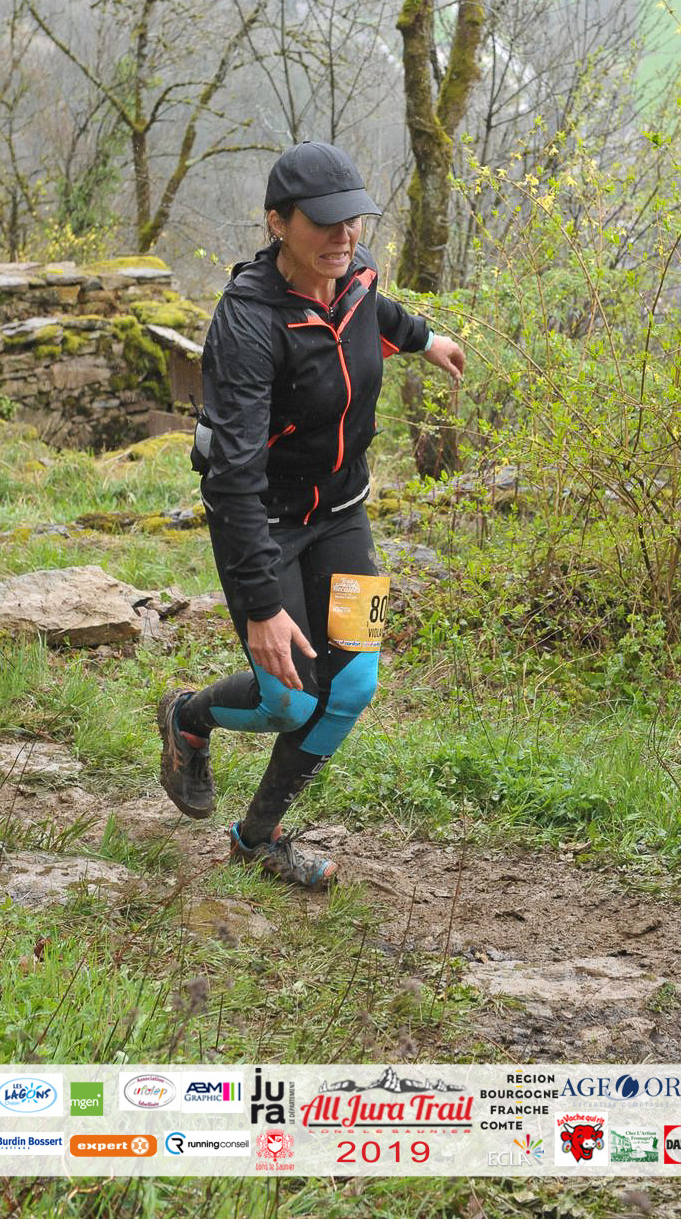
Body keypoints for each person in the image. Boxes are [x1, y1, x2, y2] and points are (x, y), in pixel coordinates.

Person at [157, 140, 465, 889]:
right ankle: (189, 718)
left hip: (344, 513)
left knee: (353, 686)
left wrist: (425, 339)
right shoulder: (248, 324)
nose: (343, 235)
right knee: (291, 701)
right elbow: (232, 477)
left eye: (352, 220)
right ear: (277, 222)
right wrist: (263, 606)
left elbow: (372, 310)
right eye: (324, 222)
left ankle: (257, 838)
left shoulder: (354, 275)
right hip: (261, 523)